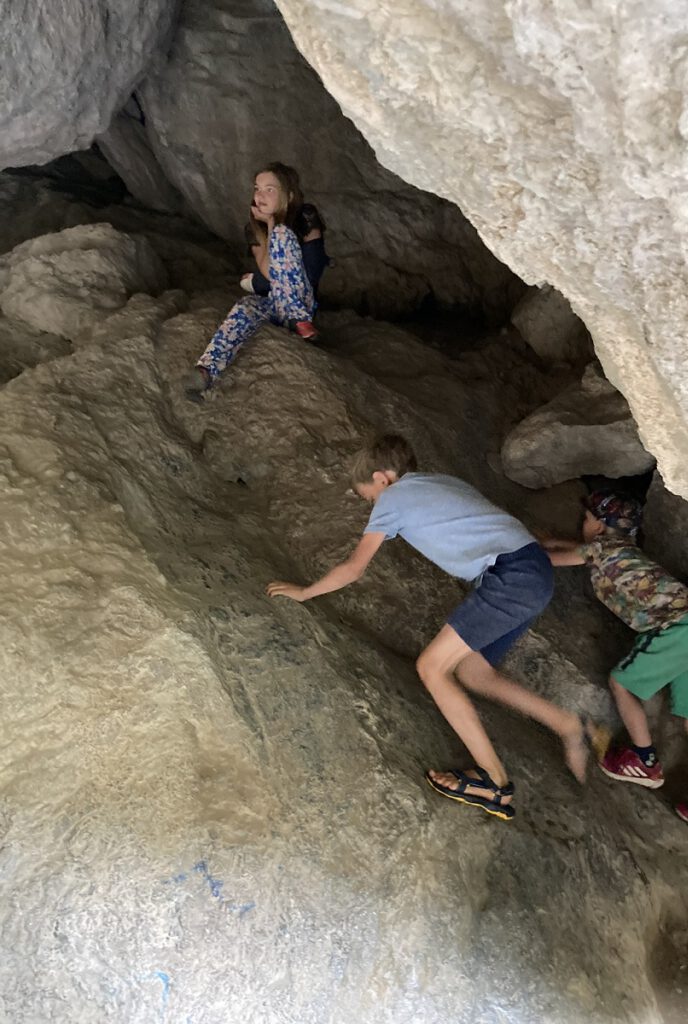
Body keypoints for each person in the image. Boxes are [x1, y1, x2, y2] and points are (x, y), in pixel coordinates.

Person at [266, 434, 605, 821]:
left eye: (369, 499)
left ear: (382, 479)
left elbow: (355, 567)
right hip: (534, 574)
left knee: (432, 668)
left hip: (511, 576)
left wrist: (305, 592)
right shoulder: (441, 482)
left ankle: (495, 784)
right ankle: (568, 725)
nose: (374, 508)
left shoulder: (393, 498)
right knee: (472, 672)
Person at [544, 491, 688, 834]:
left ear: (602, 526)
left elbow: (553, 558)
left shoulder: (603, 549)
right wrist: (544, 540)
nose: (583, 524)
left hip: (677, 628)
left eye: (587, 518)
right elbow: (568, 549)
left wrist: (518, 544)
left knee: (622, 682)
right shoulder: (622, 552)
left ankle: (644, 760)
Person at [184, 162, 329, 399]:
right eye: (257, 188)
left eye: (269, 189)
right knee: (245, 306)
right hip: (273, 302)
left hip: (301, 300)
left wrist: (276, 227)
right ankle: (206, 370)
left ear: (288, 195)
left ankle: (298, 319)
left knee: (282, 235)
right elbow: (269, 273)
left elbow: (313, 270)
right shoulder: (253, 228)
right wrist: (269, 224)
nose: (260, 195)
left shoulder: (305, 216)